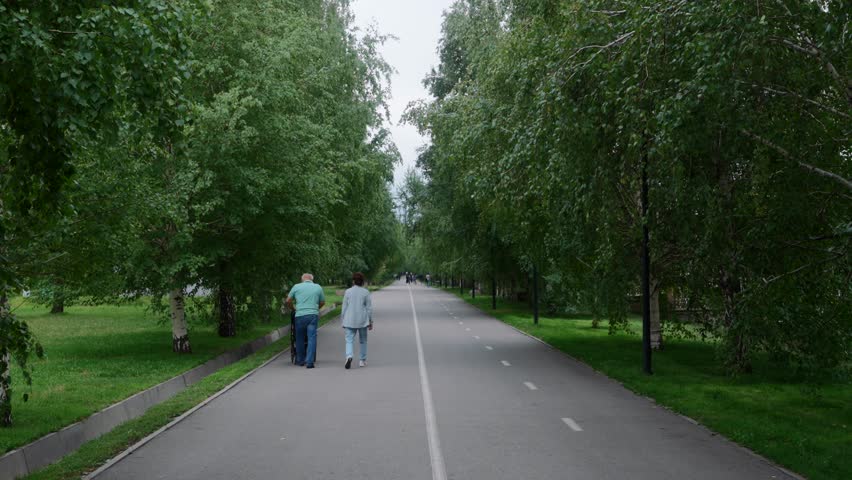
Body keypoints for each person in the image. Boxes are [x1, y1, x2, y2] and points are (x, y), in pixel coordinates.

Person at [286, 273, 325, 368]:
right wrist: (316, 308)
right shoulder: (318, 287)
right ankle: (310, 362)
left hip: (300, 315)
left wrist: (293, 308)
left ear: (302, 279)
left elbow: (288, 300)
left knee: (299, 338)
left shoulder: (296, 286)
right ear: (312, 279)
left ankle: (300, 360)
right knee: (312, 338)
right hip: (312, 315)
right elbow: (322, 302)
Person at [341, 272, 372, 369]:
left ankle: (349, 356)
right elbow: (369, 308)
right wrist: (370, 321)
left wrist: (343, 320)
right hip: (362, 320)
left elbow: (344, 307)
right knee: (363, 340)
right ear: (362, 281)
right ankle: (362, 360)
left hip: (349, 319)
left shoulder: (348, 291)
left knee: (349, 340)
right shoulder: (365, 292)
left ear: (353, 281)